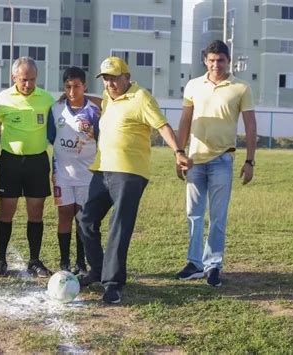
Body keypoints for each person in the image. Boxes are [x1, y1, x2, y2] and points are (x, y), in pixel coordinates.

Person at [77, 56, 192, 304]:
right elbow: (104, 104)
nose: (109, 84)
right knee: (85, 218)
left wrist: (178, 152)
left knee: (120, 225)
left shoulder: (141, 97)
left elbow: (162, 126)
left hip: (130, 172)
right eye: (106, 79)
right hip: (102, 169)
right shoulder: (109, 97)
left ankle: (113, 284)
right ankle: (97, 270)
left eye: (114, 78)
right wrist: (74, 98)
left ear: (127, 77)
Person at [175, 40, 257, 287]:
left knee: (218, 216)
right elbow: (185, 121)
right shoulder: (193, 86)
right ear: (205, 61)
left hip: (222, 159)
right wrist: (178, 153)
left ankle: (213, 265)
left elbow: (251, 126)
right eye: (211, 60)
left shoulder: (241, 88)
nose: (216, 65)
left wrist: (250, 160)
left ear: (228, 61)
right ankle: (195, 264)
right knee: (194, 215)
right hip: (193, 161)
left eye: (220, 60)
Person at [0, 57, 55, 278]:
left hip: (37, 161)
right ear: (14, 77)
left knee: (36, 213)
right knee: (6, 212)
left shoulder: (47, 99)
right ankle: (0, 260)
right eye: (24, 80)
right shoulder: (3, 99)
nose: (28, 84)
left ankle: (34, 260)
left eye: (32, 79)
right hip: (11, 161)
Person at [47, 66, 101, 275]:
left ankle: (81, 262)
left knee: (82, 218)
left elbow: (99, 137)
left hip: (87, 174)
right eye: (68, 87)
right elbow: (52, 136)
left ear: (84, 86)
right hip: (62, 173)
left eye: (76, 86)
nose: (71, 91)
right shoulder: (56, 109)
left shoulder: (94, 111)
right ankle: (64, 262)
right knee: (64, 215)